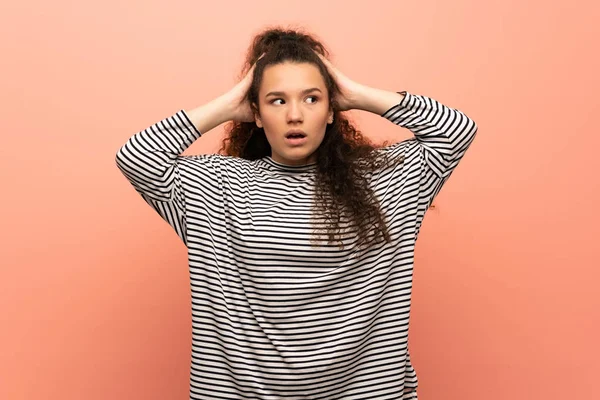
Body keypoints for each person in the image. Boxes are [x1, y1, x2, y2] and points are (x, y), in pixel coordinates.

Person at [115, 27, 477, 400]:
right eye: (276, 101)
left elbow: (456, 131)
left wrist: (355, 94)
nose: (294, 115)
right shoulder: (215, 186)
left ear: (332, 109)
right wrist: (228, 105)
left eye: (311, 99)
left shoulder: (386, 181)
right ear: (254, 113)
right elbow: (136, 158)